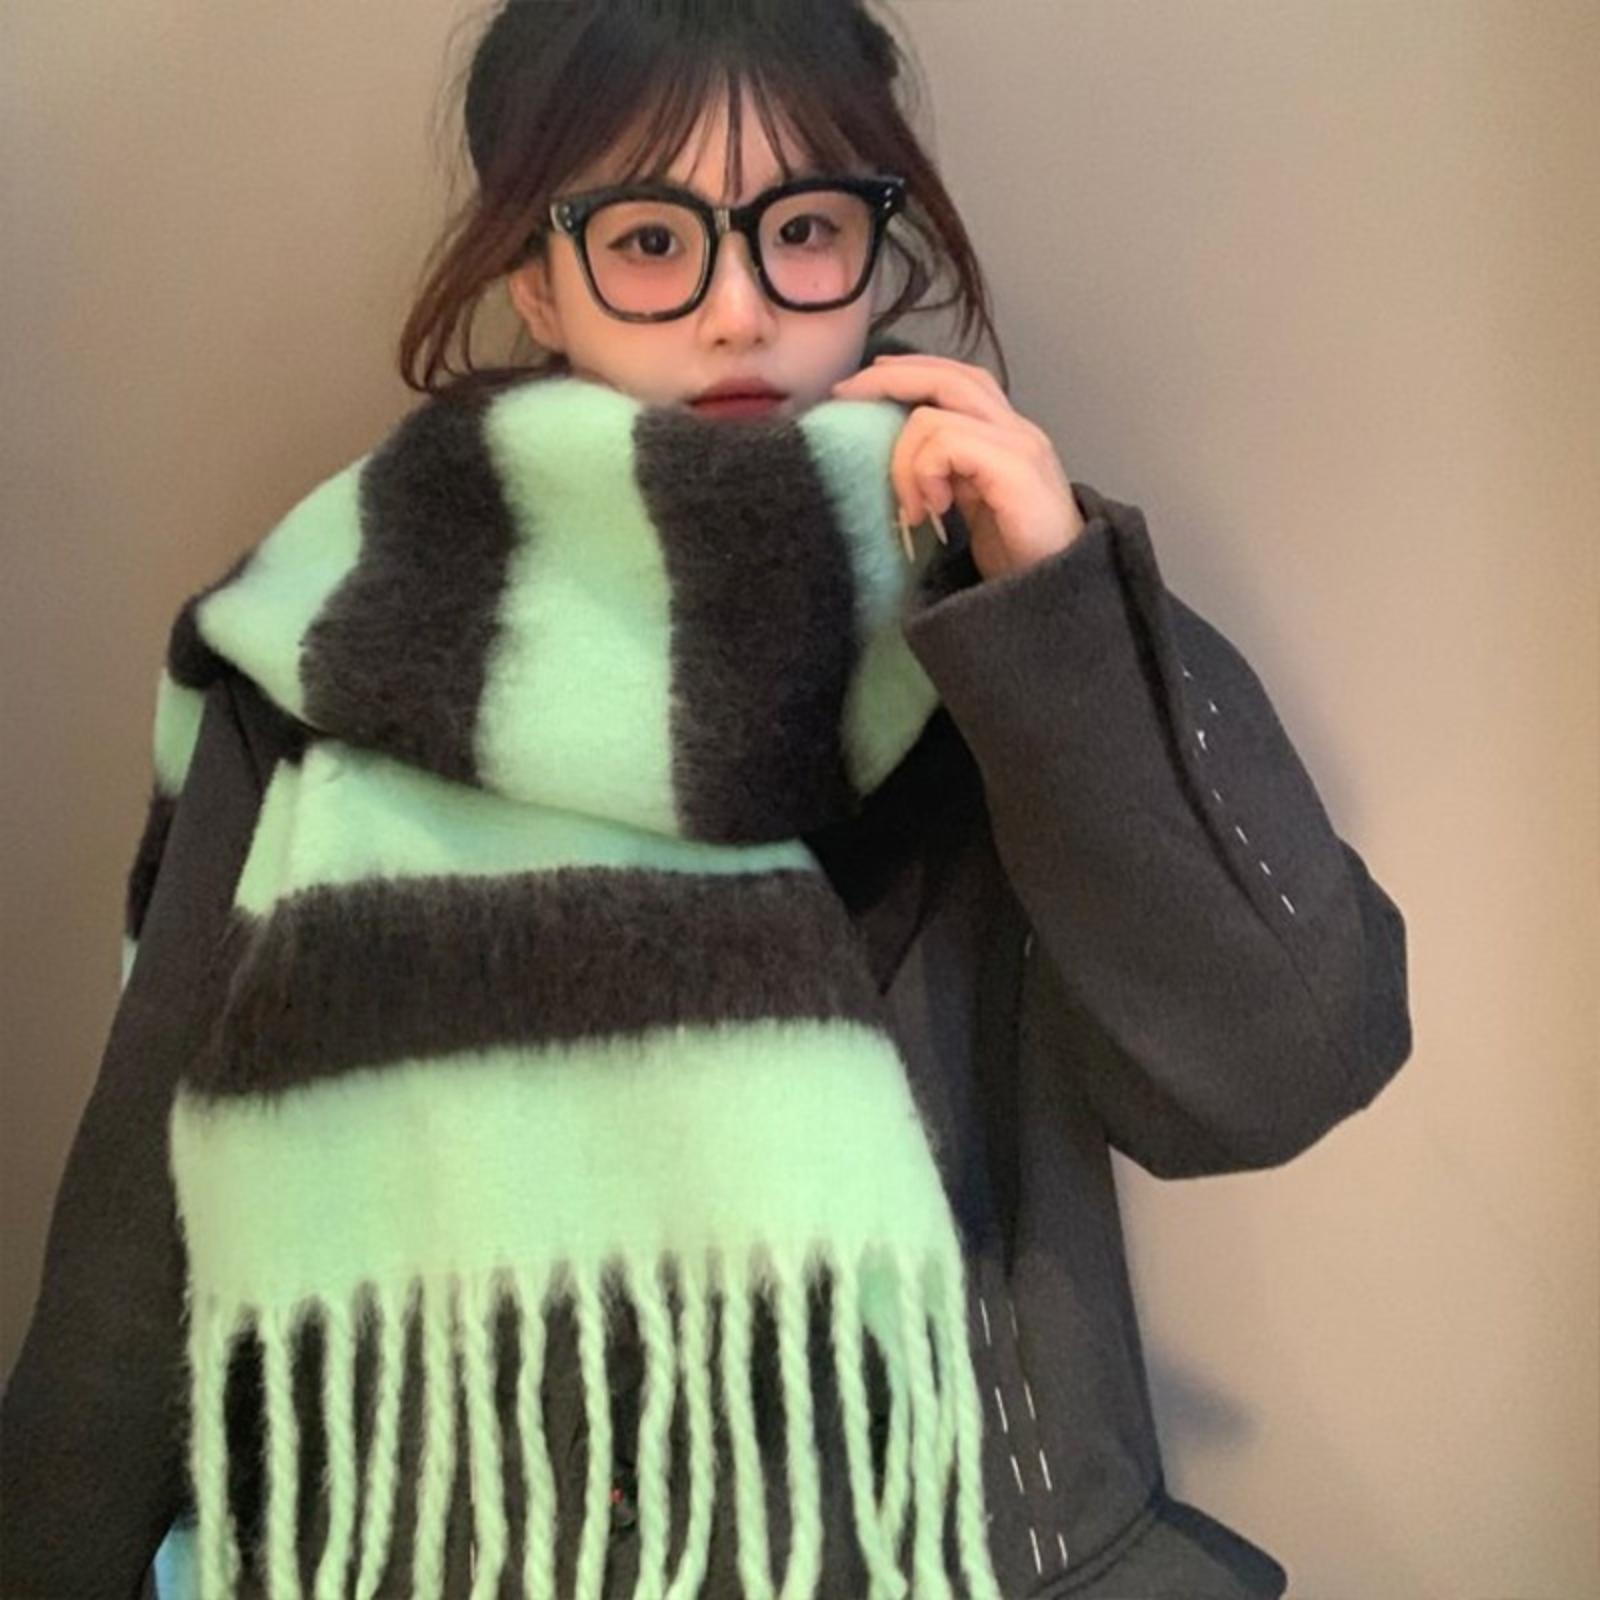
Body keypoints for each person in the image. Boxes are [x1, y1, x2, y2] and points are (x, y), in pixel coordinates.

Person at [0, 4, 1414, 1598]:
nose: (739, 311)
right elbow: (137, 1253)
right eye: (650, 239)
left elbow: (1275, 1074)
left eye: (804, 228)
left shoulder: (995, 622)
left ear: (877, 248)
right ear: (536, 276)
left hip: (943, 1557)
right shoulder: (334, 646)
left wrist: (1057, 613)